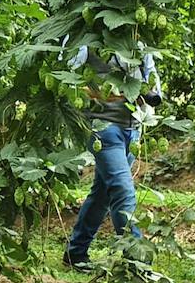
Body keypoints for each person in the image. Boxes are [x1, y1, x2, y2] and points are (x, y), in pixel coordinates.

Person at [62, 44, 162, 271]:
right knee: (122, 190)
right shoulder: (87, 39)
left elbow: (152, 78)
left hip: (133, 129)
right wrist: (103, 95)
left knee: (103, 194)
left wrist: (148, 94)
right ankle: (137, 261)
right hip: (102, 128)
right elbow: (68, 80)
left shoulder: (137, 39)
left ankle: (75, 253)